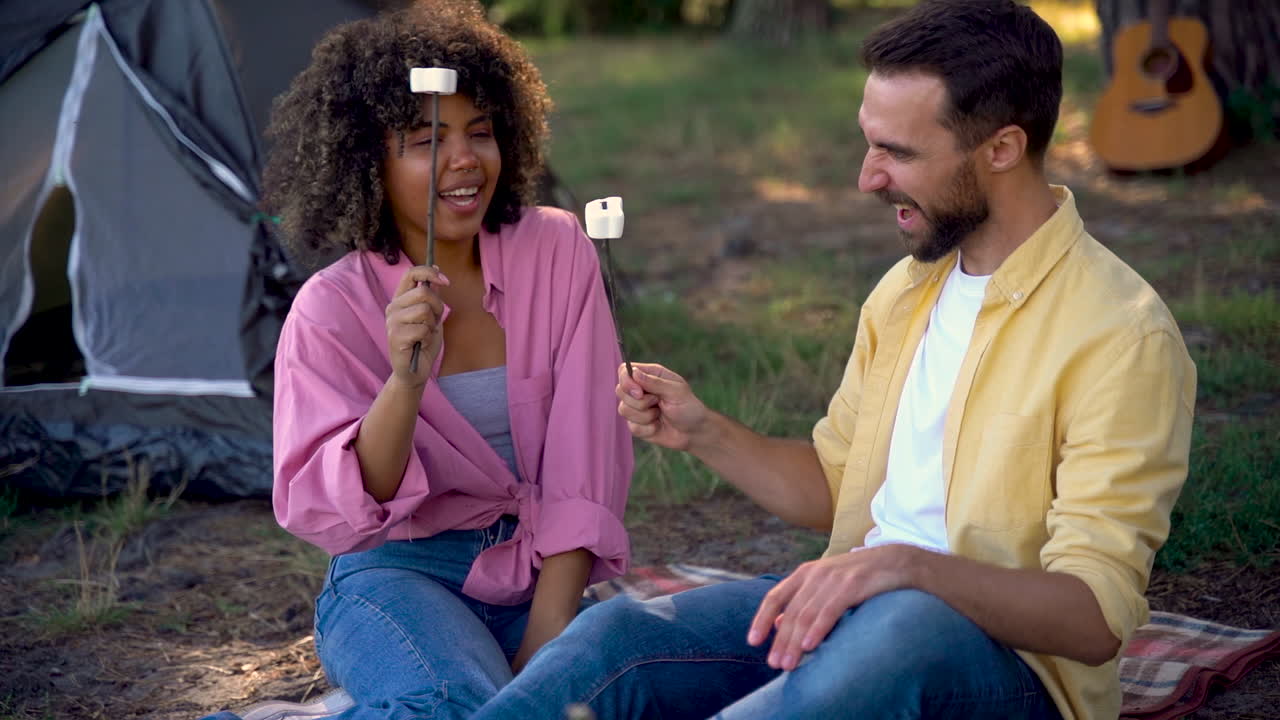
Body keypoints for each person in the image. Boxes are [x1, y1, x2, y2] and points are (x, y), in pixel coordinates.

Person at [472, 1, 1195, 719]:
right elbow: (837, 484)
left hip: (1007, 671)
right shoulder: (906, 294)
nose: (867, 178)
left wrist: (906, 570)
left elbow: (1094, 619)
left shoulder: (1119, 334)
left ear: (1002, 149)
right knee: (616, 637)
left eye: (898, 153)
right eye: (869, 144)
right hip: (859, 611)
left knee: (894, 638)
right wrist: (702, 430)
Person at [199, 2, 633, 719]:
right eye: (426, 139)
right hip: (399, 577)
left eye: (481, 132)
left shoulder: (556, 250)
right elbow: (343, 515)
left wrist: (543, 649)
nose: (465, 159)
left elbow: (584, 468)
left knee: (617, 699)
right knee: (449, 705)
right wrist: (404, 381)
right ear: (367, 160)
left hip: (538, 570)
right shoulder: (329, 311)